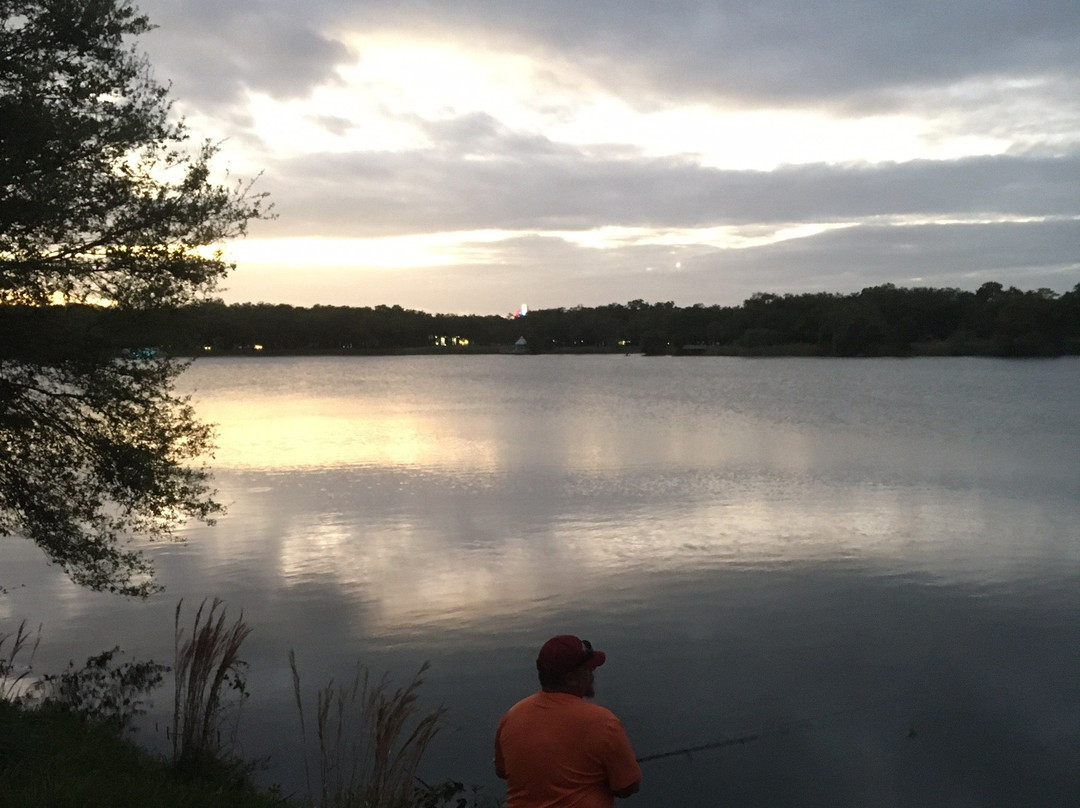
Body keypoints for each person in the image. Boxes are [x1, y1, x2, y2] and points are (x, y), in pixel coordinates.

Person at [494, 635, 642, 808]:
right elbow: (627, 787)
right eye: (589, 669)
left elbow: (502, 771)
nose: (593, 674)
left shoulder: (512, 716)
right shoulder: (603, 722)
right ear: (571, 678)